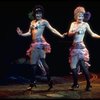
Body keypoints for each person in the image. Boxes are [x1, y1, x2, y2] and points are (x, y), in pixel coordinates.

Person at [16, 5, 63, 91]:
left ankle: (49, 81)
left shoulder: (44, 21)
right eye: (37, 13)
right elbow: (29, 33)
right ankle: (32, 83)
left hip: (41, 44)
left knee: (44, 62)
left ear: (42, 14)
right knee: (33, 65)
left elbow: (52, 29)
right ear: (34, 14)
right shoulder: (32, 22)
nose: (38, 15)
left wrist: (60, 35)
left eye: (40, 13)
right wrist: (21, 34)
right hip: (34, 45)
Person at [63, 6, 100, 91]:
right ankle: (76, 84)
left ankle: (88, 85)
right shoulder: (73, 24)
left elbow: (92, 34)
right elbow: (69, 34)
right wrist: (75, 30)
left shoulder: (85, 24)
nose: (80, 17)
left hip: (81, 48)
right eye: (78, 16)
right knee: (73, 67)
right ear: (75, 16)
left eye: (82, 16)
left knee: (83, 67)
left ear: (84, 17)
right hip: (74, 48)